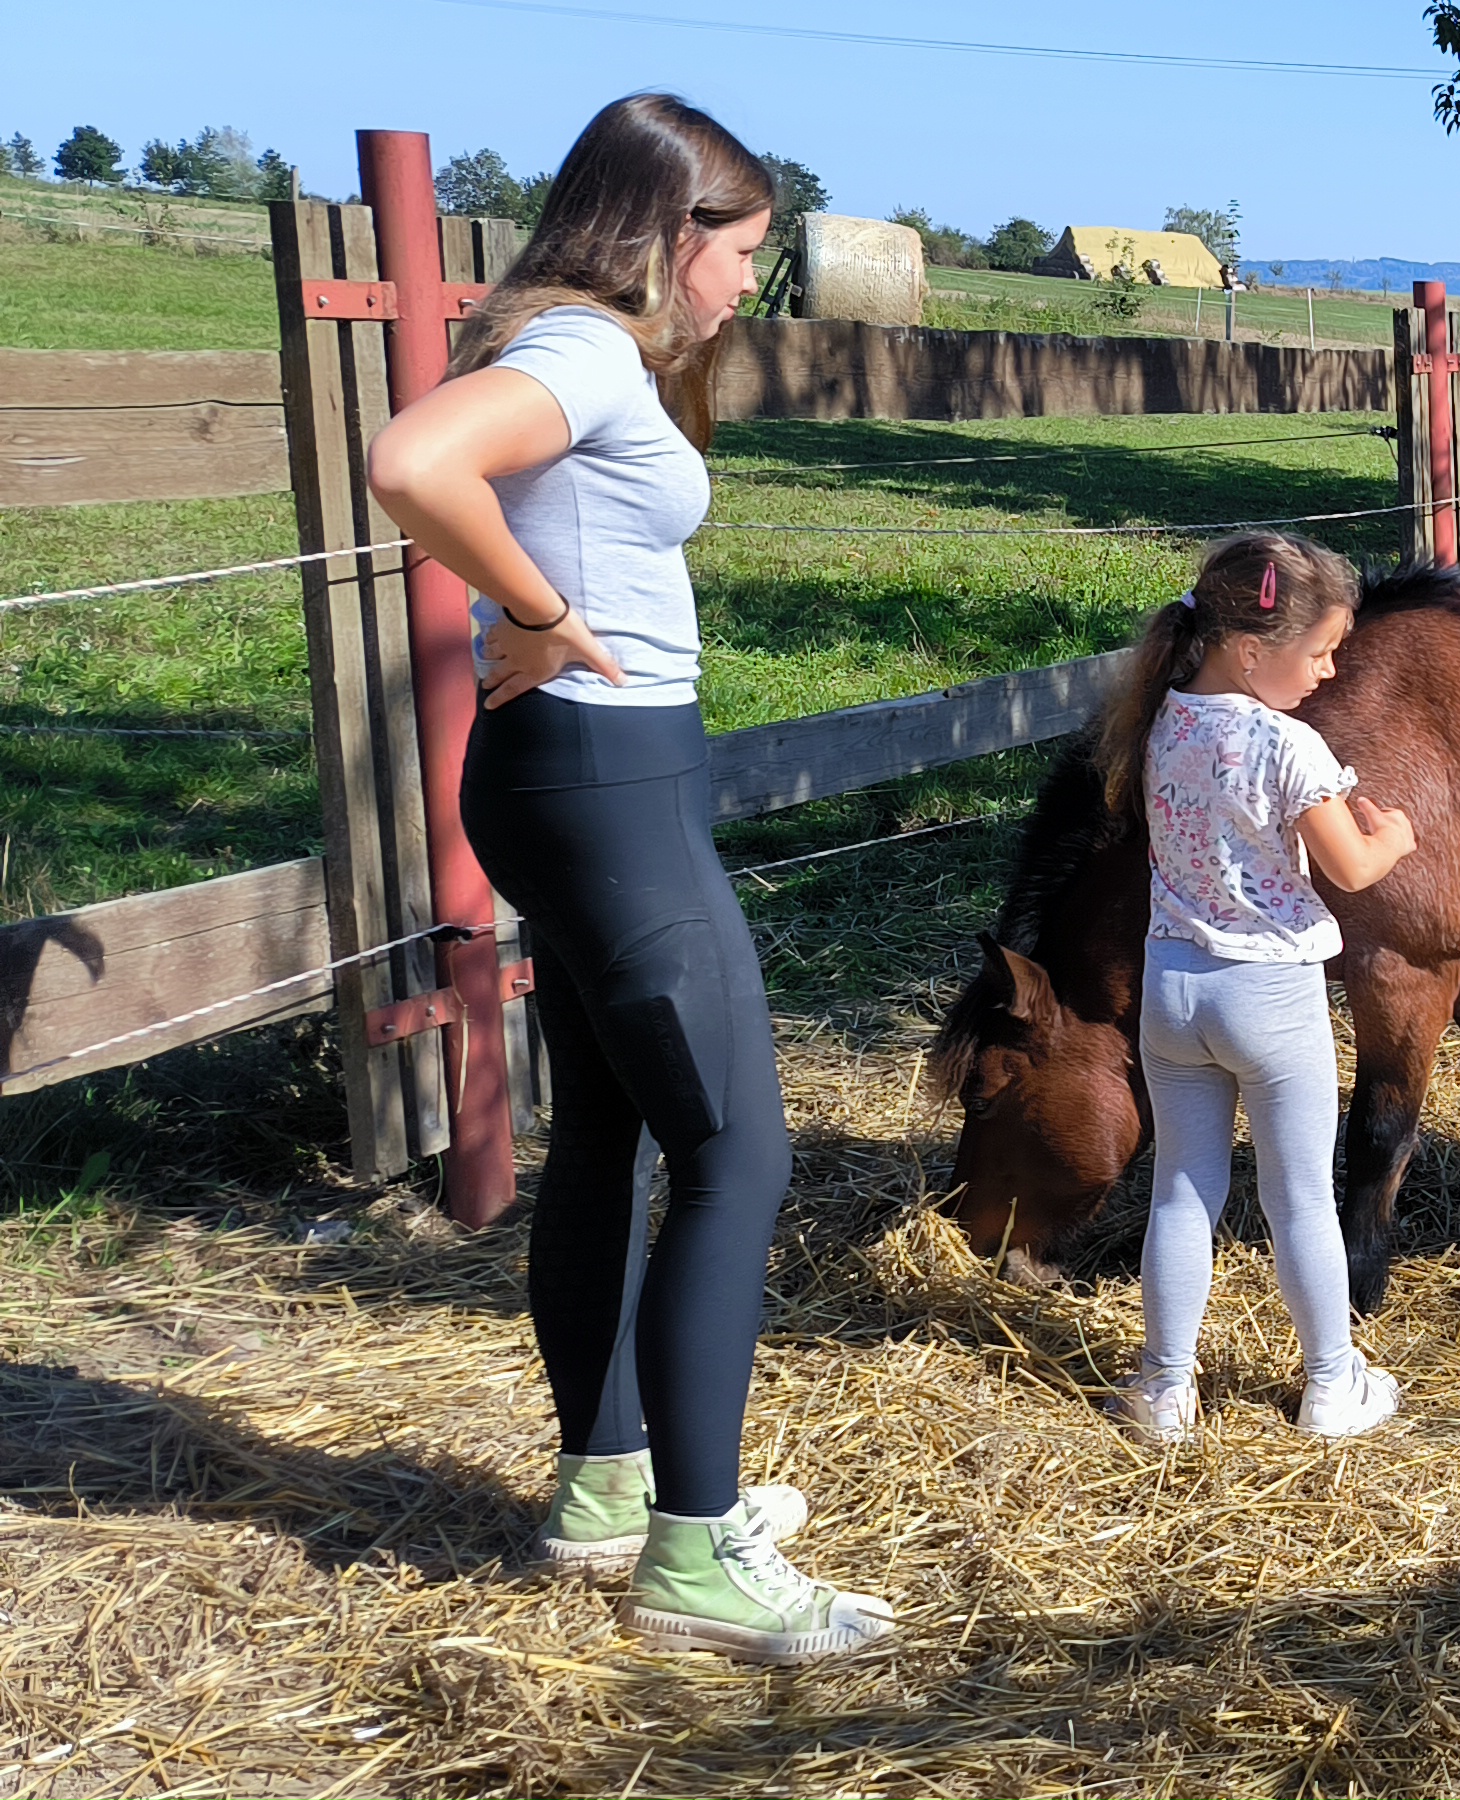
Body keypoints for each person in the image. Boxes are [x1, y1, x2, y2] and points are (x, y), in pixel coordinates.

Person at [365, 93, 890, 1662]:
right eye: (742, 255)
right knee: (739, 1149)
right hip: (608, 780)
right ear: (670, 236)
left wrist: (533, 615)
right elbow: (415, 463)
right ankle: (696, 1553)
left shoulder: (566, 340)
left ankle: (607, 1487)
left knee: (609, 1130)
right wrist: (529, 608)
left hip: (569, 779)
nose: (748, 287)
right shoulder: (587, 347)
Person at [1090, 533, 1417, 1446]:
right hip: (1268, 995)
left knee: (1181, 1191)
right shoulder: (1287, 744)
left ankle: (1163, 1389)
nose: (1327, 670)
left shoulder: (1161, 723)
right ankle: (1329, 1384)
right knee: (1301, 1197)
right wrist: (1394, 839)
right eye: (1317, 653)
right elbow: (1351, 869)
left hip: (1173, 989)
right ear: (1250, 649)